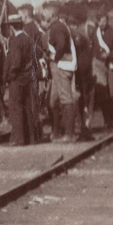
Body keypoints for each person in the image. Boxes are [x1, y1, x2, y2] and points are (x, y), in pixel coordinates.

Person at [45, 12, 82, 141]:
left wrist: (54, 57)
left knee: (66, 99)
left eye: (46, 10)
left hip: (61, 67)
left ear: (52, 13)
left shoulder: (57, 27)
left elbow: (60, 44)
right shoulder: (59, 26)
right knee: (53, 101)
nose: (44, 13)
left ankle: (70, 134)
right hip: (59, 68)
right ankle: (56, 133)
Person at [4, 15, 39, 144]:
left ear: (12, 27)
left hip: (17, 80)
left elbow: (16, 63)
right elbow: (34, 61)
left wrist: (9, 76)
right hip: (28, 78)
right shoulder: (28, 39)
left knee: (16, 108)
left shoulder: (16, 41)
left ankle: (18, 139)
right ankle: (31, 137)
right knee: (28, 108)